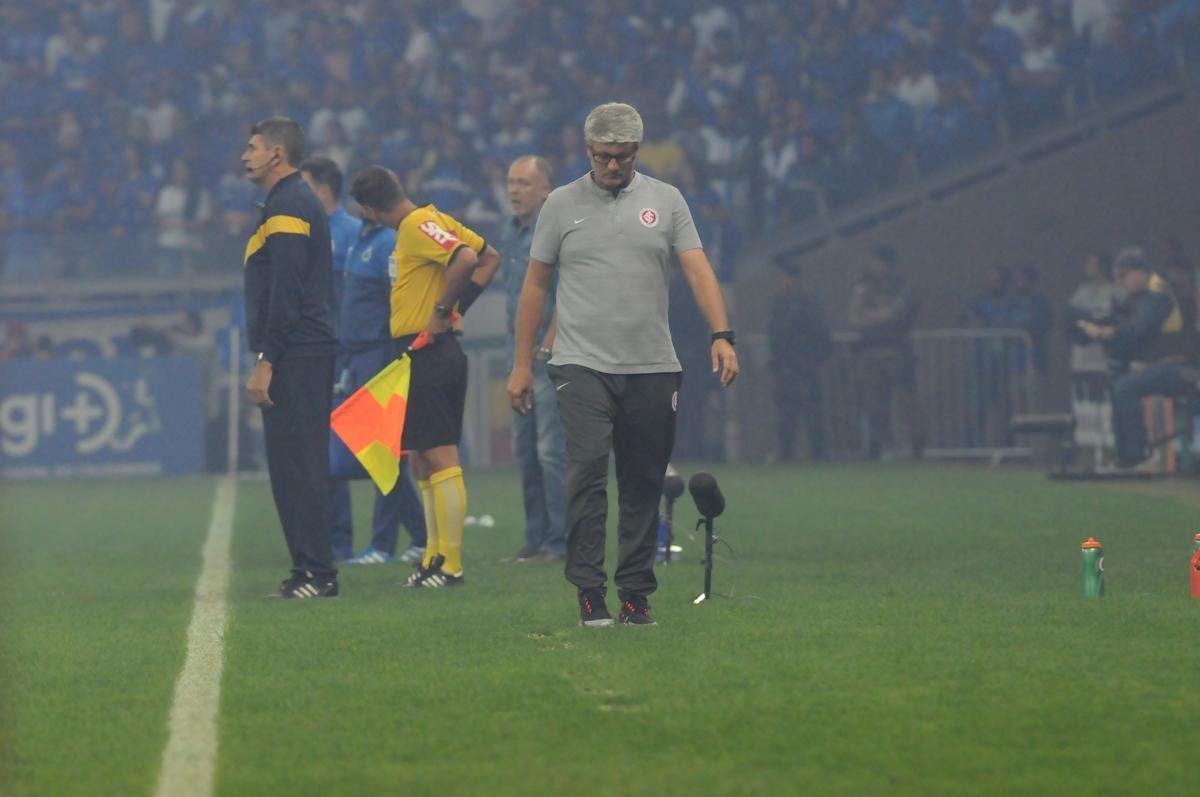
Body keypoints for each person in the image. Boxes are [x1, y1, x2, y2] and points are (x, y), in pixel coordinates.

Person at [506, 102, 739, 628]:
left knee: (641, 481)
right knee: (587, 471)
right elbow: (536, 285)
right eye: (605, 157)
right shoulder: (562, 204)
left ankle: (635, 594)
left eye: (625, 158)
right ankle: (590, 590)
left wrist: (722, 335)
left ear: (638, 151)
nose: (614, 167)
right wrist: (521, 364)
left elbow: (698, 269)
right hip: (579, 363)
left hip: (653, 364)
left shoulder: (667, 200)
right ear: (588, 152)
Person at [348, 165, 500, 588]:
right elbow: (490, 258)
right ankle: (433, 558)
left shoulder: (416, 225)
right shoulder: (430, 219)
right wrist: (456, 310)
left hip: (429, 350)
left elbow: (467, 258)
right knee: (419, 457)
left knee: (439, 455)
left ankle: (450, 565)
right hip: (417, 351)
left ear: (369, 209)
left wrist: (440, 314)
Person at [301, 156, 427, 566]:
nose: (359, 207)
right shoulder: (362, 239)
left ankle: (384, 543)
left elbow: (399, 299)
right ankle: (420, 535)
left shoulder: (387, 240)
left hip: (378, 353)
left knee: (382, 452)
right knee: (370, 451)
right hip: (351, 354)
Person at [241, 117, 339, 599]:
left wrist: (267, 357)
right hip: (297, 351)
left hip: (299, 353)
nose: (246, 155)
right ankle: (306, 569)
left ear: (277, 154)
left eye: (254, 147)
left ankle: (319, 573)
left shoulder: (290, 205)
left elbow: (287, 292)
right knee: (289, 466)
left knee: (300, 464)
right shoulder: (285, 203)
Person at [500, 154, 566, 564]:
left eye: (524, 183)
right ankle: (535, 537)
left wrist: (549, 343)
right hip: (518, 354)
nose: (514, 191)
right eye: (511, 182)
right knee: (525, 450)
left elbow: (568, 292)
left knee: (550, 451)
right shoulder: (510, 233)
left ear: (546, 190)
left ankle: (560, 540)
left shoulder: (553, 231)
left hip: (546, 355)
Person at [1077, 246, 1197, 468]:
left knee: (1126, 387)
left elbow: (1139, 331)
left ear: (1139, 271)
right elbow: (1122, 325)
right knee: (1118, 387)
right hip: (1159, 368)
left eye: (1123, 276)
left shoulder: (1158, 294)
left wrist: (1107, 332)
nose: (1121, 282)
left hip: (1180, 368)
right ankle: (1125, 456)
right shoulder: (1138, 297)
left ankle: (1139, 454)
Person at [848, 244, 924, 459]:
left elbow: (897, 314)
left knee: (906, 400)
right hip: (870, 352)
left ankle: (917, 442)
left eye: (883, 263)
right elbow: (854, 319)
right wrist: (881, 316)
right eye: (876, 262)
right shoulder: (863, 288)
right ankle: (879, 444)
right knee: (874, 402)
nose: (879, 267)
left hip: (898, 350)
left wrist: (870, 315)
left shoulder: (903, 287)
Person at [768, 252, 832, 462]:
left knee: (810, 414)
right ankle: (788, 454)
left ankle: (817, 453)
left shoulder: (804, 305)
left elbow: (821, 337)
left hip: (803, 366)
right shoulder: (782, 304)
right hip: (789, 367)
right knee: (787, 417)